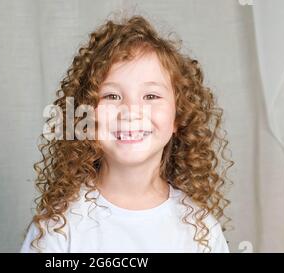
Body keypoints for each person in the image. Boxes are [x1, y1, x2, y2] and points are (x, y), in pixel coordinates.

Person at [21, 15, 234, 253]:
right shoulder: (59, 226)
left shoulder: (201, 229)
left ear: (178, 117)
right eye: (112, 96)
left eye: (151, 96)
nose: (131, 112)